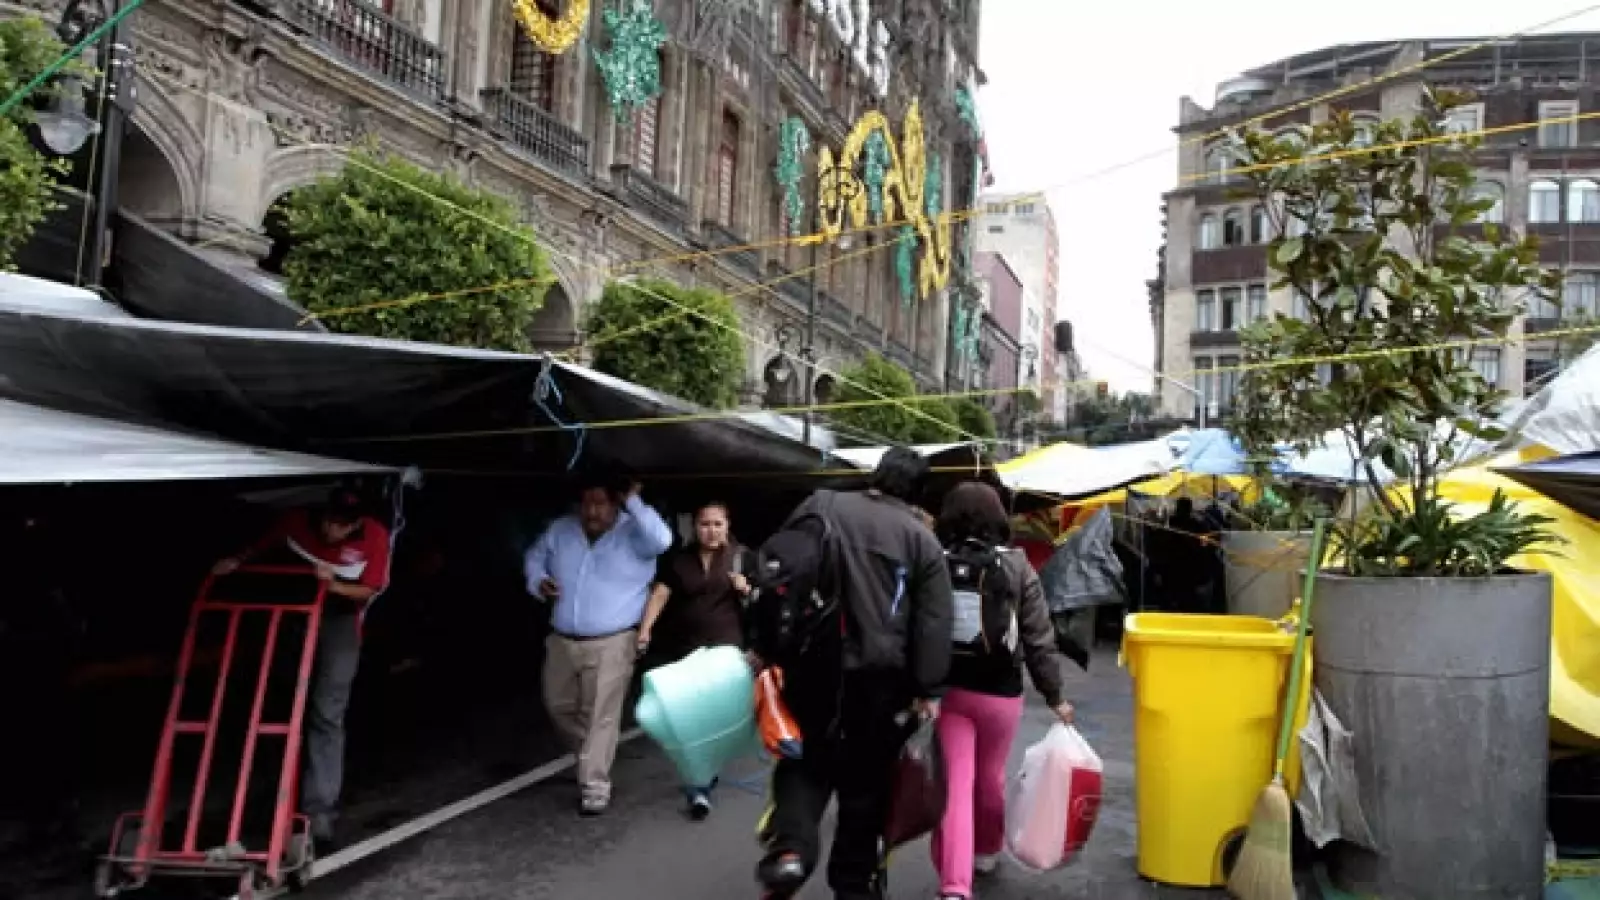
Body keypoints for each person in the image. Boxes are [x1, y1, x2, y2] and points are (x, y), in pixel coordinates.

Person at [754, 446, 954, 900]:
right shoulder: (921, 541)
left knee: (804, 763)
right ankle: (851, 884)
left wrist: (768, 646)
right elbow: (933, 623)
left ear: (877, 474)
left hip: (810, 669)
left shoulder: (820, 504)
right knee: (865, 789)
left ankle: (792, 849)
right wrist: (928, 689)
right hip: (879, 686)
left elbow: (783, 571)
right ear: (918, 493)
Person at [212, 487, 392, 849]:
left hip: (339, 618)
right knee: (277, 704)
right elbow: (265, 542)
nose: (331, 531)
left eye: (342, 526)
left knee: (327, 713)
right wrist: (237, 559)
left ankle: (319, 810)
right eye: (329, 521)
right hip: (294, 611)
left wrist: (335, 584)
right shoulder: (297, 521)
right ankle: (267, 797)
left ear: (356, 524)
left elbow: (370, 590)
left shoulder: (374, 536)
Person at [929, 482, 1076, 900]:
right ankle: (988, 851)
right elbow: (1038, 637)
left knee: (955, 784)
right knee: (990, 777)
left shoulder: (934, 561)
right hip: (1001, 693)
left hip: (951, 690)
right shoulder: (1017, 565)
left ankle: (955, 886)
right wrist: (1055, 696)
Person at [524, 473, 673, 816]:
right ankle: (592, 758)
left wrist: (633, 500)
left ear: (614, 503)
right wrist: (539, 580)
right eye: (586, 502)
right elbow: (534, 557)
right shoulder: (560, 530)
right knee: (558, 705)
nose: (591, 511)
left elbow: (663, 540)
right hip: (562, 639)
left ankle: (594, 785)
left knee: (601, 717)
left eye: (600, 503)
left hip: (614, 641)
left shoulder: (636, 535)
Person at [638, 500, 756, 820]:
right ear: (695, 527)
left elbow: (765, 600)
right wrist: (645, 629)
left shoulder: (742, 557)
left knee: (715, 717)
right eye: (705, 524)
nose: (711, 530)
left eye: (718, 524)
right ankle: (699, 782)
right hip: (688, 650)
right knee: (691, 718)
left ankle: (702, 777)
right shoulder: (679, 560)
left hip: (726, 650)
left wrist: (746, 589)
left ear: (728, 526)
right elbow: (661, 594)